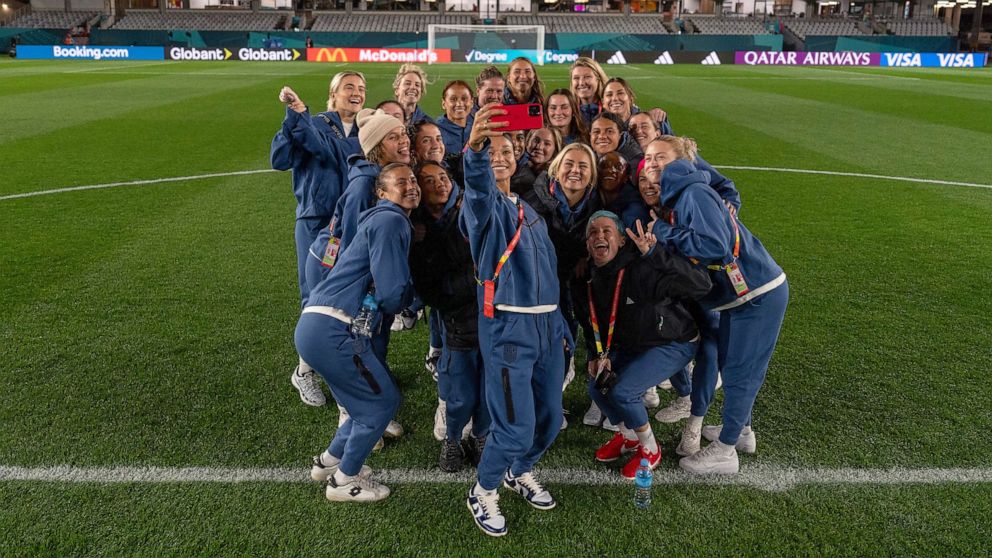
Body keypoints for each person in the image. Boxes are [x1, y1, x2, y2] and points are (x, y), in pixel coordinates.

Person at [645, 136, 788, 475]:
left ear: (682, 160)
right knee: (732, 362)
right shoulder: (682, 193)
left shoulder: (694, 193)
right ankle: (740, 432)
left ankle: (725, 451)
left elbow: (715, 246)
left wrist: (663, 230)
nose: (652, 162)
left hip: (758, 293)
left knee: (740, 371)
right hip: (741, 297)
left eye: (660, 156)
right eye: (648, 157)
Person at [461, 105, 569, 537]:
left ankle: (518, 471)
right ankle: (483, 490)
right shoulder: (482, 208)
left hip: (547, 328)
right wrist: (473, 153)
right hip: (509, 329)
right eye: (491, 152)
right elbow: (477, 189)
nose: (498, 156)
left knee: (549, 417)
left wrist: (560, 331)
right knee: (514, 425)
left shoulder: (528, 208)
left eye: (505, 150)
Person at [295, 162, 420, 502]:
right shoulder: (391, 220)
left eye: (413, 180)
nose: (411, 186)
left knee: (361, 403)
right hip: (337, 327)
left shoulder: (378, 218)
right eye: (400, 182)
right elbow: (393, 290)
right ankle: (343, 482)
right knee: (383, 402)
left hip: (316, 324)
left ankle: (328, 462)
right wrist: (412, 302)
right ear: (381, 192)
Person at [585, 211, 710, 478]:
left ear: (621, 240)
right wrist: (598, 355)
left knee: (622, 392)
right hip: (636, 343)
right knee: (597, 386)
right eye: (593, 232)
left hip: (673, 341)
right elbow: (593, 322)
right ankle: (629, 437)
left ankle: (651, 450)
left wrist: (655, 254)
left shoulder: (641, 265)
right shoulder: (591, 276)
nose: (599, 236)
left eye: (607, 231)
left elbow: (701, 285)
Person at [270, 71, 365, 407]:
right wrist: (295, 119)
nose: (357, 93)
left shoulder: (362, 129)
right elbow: (278, 159)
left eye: (362, 89)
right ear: (333, 93)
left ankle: (345, 365)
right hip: (315, 219)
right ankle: (305, 370)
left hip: (348, 224)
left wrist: (300, 122)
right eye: (349, 87)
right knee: (312, 295)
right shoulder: (313, 123)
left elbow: (335, 154)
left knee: (348, 295)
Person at [409, 162, 489, 472]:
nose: (440, 184)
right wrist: (474, 280)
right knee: (460, 393)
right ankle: (453, 439)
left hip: (491, 318)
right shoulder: (417, 230)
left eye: (443, 177)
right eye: (429, 181)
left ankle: (480, 436)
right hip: (458, 322)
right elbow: (429, 289)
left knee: (489, 388)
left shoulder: (468, 210)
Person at [602, 77, 674, 136]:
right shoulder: (597, 127)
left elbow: (675, 148)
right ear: (603, 103)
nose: (615, 98)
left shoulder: (655, 120)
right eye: (609, 95)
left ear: (630, 98)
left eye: (620, 93)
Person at [436, 80, 475, 159]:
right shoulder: (435, 130)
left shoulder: (476, 127)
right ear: (444, 104)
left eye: (464, 99)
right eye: (453, 99)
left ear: (472, 103)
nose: (459, 104)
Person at [569, 56, 609, 126]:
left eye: (587, 77)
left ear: (598, 79)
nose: (581, 83)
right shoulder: (567, 111)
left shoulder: (611, 108)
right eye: (576, 78)